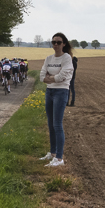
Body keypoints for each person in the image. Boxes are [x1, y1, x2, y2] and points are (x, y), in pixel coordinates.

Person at [39, 33, 74, 166]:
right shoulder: (49, 58)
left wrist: (50, 77)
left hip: (61, 91)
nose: (56, 45)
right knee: (50, 124)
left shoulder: (67, 58)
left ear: (64, 44)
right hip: (50, 91)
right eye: (53, 42)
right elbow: (41, 76)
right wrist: (54, 77)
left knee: (57, 124)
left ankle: (59, 158)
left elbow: (62, 77)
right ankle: (52, 153)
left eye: (58, 42)